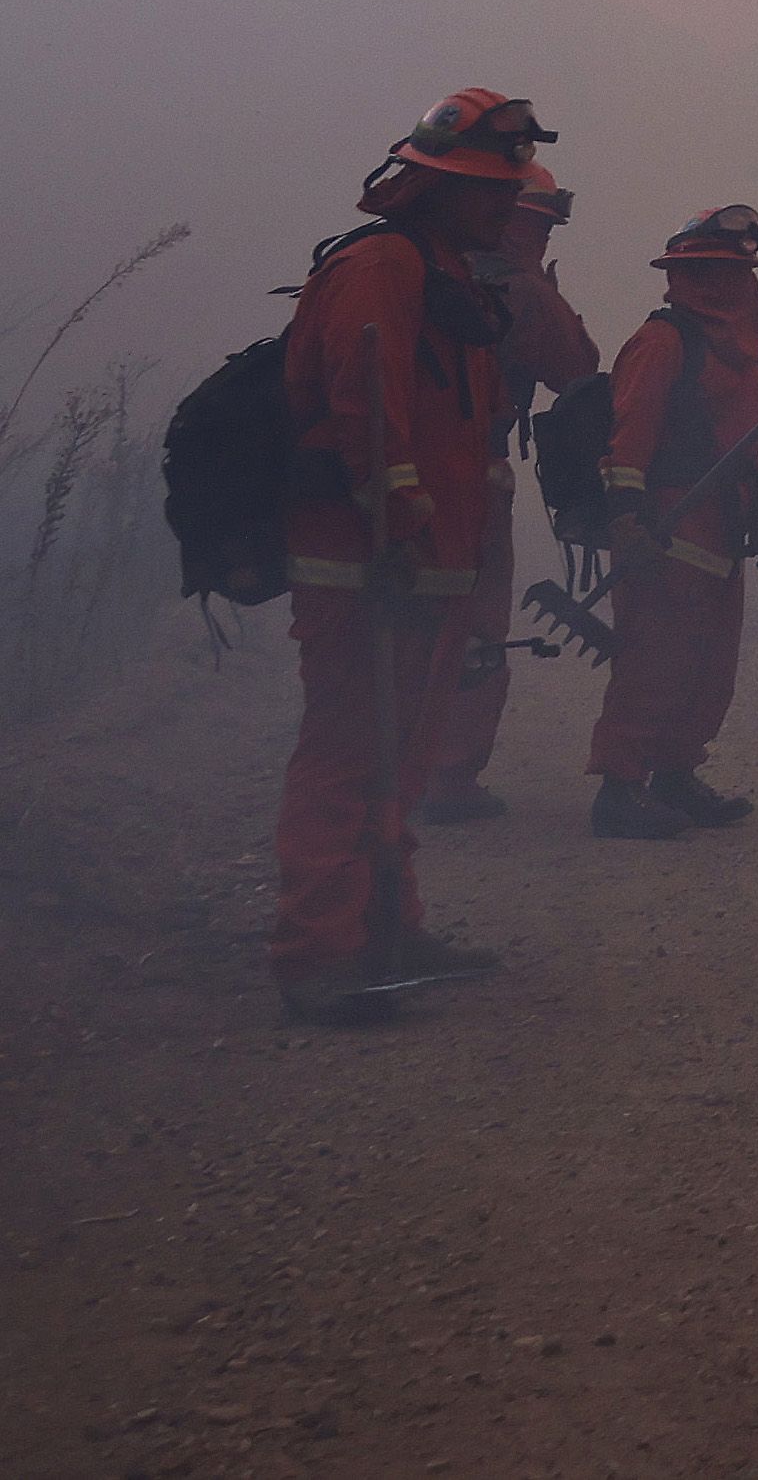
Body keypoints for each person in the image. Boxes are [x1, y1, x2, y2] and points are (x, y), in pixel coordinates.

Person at [271, 87, 553, 1024]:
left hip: (424, 562)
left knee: (401, 757)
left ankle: (389, 927)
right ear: (436, 186)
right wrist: (396, 514)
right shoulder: (382, 265)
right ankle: (319, 955)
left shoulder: (442, 270)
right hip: (366, 563)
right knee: (350, 752)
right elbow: (366, 399)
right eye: (487, 185)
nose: (506, 202)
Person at [585, 206, 758, 841]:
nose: (731, 285)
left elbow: (746, 441)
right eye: (714, 271)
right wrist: (627, 518)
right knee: (654, 660)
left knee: (708, 664)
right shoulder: (662, 342)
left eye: (739, 272)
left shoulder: (747, 357)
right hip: (666, 530)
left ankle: (676, 774)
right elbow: (629, 437)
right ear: (686, 273)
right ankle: (620, 789)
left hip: (721, 529)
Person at [421, 173, 600, 824]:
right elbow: (577, 365)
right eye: (546, 223)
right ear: (528, 222)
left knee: (401, 615)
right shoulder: (519, 286)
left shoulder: (414, 266)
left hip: (389, 471)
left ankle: (382, 768)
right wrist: (548, 291)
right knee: (472, 621)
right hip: (474, 472)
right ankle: (447, 776)